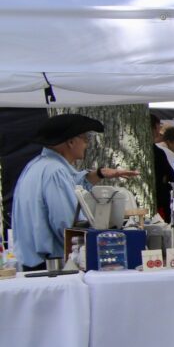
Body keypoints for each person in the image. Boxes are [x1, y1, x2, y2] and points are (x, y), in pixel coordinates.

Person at [12, 114, 139, 270]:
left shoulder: (36, 165)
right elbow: (67, 224)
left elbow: (74, 182)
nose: (87, 144)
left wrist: (100, 173)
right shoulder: (56, 172)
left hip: (30, 262)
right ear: (71, 142)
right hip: (50, 264)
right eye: (85, 139)